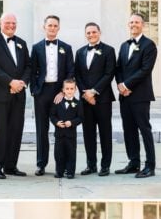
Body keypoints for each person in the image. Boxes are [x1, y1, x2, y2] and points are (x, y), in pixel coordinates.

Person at [0, 13, 31, 178]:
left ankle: (11, 165)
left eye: (14, 23)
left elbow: (28, 67)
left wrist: (21, 83)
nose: (11, 25)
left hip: (19, 94)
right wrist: (10, 82)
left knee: (16, 130)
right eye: (8, 23)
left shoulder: (22, 43)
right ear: (0, 23)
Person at [30, 16, 74, 176]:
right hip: (41, 92)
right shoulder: (36, 48)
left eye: (55, 26)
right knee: (41, 129)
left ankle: (60, 166)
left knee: (60, 128)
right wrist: (34, 90)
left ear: (59, 28)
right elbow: (32, 70)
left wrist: (63, 92)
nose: (52, 28)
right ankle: (41, 164)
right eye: (50, 25)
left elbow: (70, 71)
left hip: (58, 92)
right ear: (44, 27)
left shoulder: (66, 48)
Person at [115, 12, 158, 177]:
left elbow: (145, 70)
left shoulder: (149, 45)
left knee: (144, 129)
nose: (133, 25)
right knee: (129, 130)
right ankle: (133, 162)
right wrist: (120, 85)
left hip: (140, 96)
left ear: (143, 25)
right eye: (131, 22)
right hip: (124, 96)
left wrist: (127, 84)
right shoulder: (124, 45)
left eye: (137, 22)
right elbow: (118, 68)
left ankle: (150, 166)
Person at [74, 22, 116, 176]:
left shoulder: (109, 50)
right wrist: (86, 94)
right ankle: (91, 165)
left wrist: (94, 91)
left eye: (94, 32)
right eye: (88, 33)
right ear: (85, 34)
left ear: (99, 32)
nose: (91, 35)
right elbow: (77, 74)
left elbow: (109, 73)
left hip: (103, 99)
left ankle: (105, 165)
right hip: (85, 100)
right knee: (88, 133)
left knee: (105, 132)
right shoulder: (80, 52)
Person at [49, 78, 83, 179]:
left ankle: (70, 171)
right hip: (59, 134)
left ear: (75, 89)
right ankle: (59, 171)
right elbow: (52, 115)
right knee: (59, 153)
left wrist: (72, 122)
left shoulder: (78, 103)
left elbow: (81, 118)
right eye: (67, 89)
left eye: (71, 88)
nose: (69, 91)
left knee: (71, 153)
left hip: (71, 134)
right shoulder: (57, 102)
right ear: (63, 90)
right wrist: (56, 122)